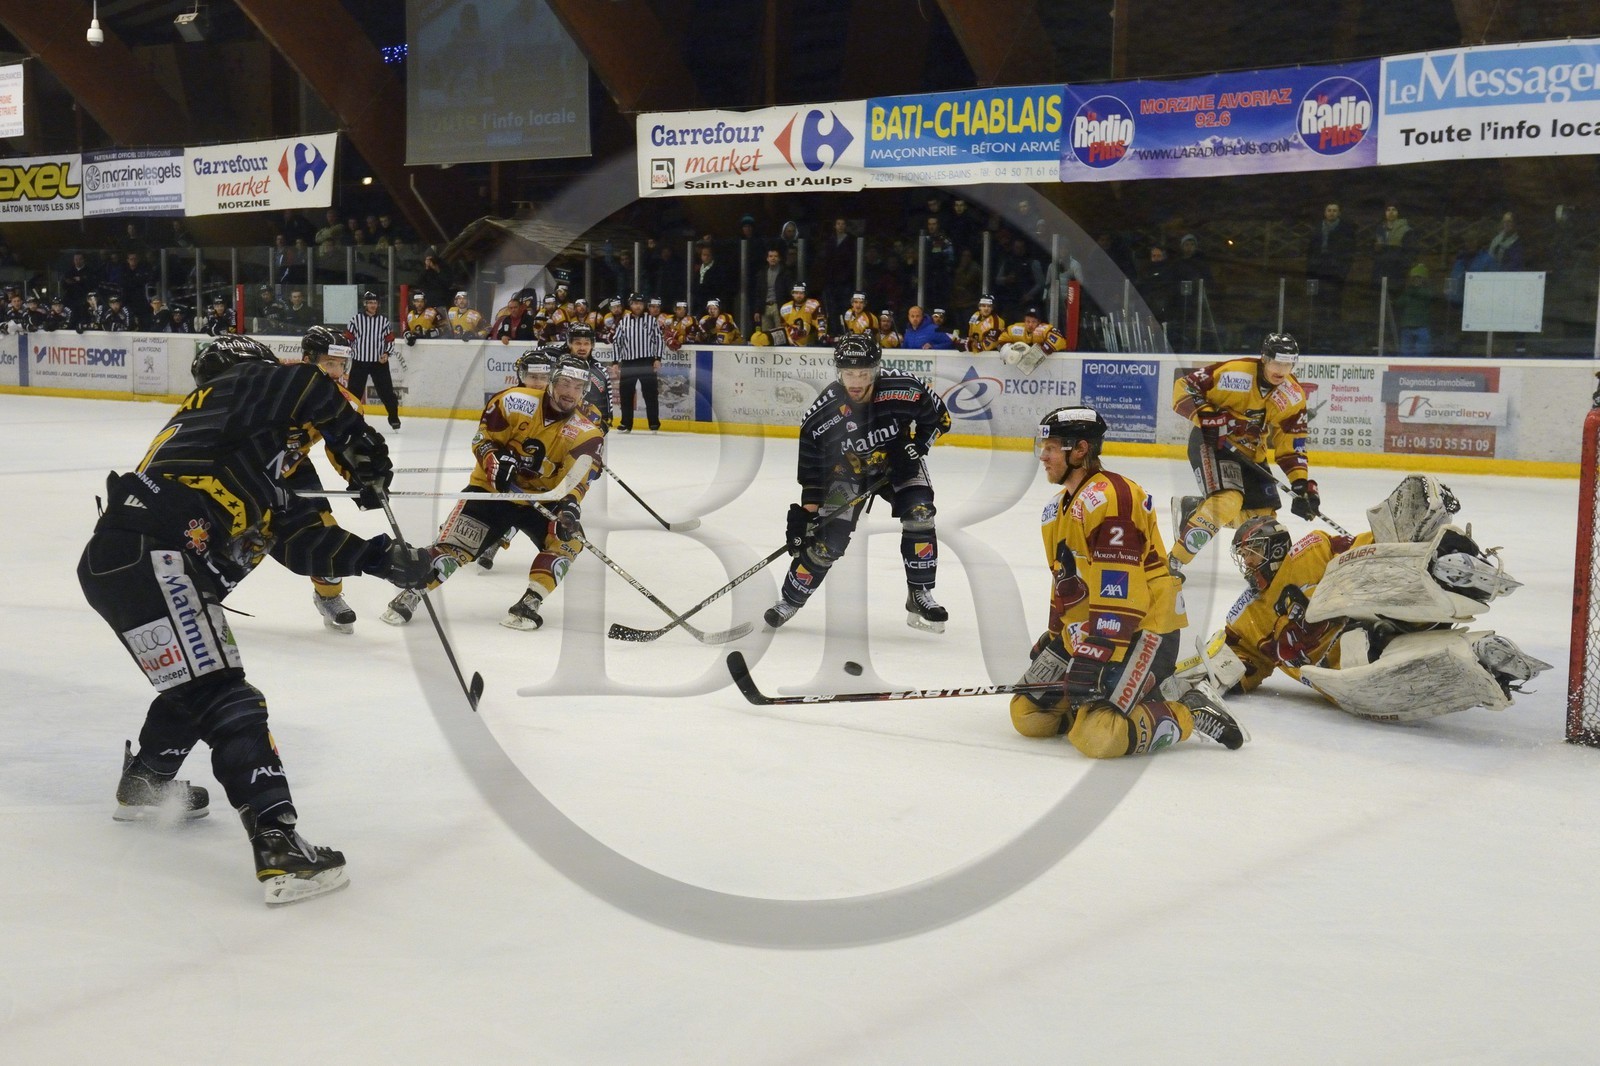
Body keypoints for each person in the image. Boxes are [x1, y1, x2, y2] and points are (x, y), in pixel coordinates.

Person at [76, 334, 433, 904]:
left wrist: (381, 558)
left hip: (129, 562)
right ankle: (278, 842)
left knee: (196, 680)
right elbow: (307, 383)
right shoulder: (236, 388)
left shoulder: (258, 453)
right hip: (159, 555)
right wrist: (360, 445)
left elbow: (303, 544)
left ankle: (147, 782)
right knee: (226, 694)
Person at [1197, 477, 1550, 722]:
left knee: (1377, 590)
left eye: (1252, 554)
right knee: (1365, 645)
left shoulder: (1311, 550)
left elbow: (1366, 553)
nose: (1248, 563)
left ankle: (1445, 565)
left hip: (1393, 610)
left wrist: (1404, 543)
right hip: (1355, 668)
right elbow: (1241, 659)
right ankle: (1478, 663)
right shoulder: (1248, 614)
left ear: (1273, 547)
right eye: (1244, 557)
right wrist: (1211, 677)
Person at [1007, 405, 1244, 754]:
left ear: (1081, 450)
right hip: (1094, 627)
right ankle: (1109, 704)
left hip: (1145, 626)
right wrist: (1056, 635)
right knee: (1027, 713)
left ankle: (1185, 708)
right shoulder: (1054, 510)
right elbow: (1065, 583)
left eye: (1052, 447)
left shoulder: (1113, 497)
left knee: (1100, 736)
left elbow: (1121, 592)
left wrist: (1093, 653)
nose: (1043, 456)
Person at [384, 353, 605, 630]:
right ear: (552, 382)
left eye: (577, 387)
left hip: (541, 500)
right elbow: (483, 439)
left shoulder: (587, 432)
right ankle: (412, 593)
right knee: (455, 547)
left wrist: (570, 506)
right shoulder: (514, 401)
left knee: (569, 541)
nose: (570, 392)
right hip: (491, 492)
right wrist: (493, 462)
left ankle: (530, 602)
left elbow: (576, 480)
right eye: (564, 383)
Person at [766, 334, 952, 632]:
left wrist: (918, 447)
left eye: (863, 373)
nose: (855, 380)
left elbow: (940, 419)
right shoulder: (824, 413)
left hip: (899, 464)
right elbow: (813, 468)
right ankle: (789, 600)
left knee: (920, 514)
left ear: (876, 370)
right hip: (848, 475)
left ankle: (919, 593)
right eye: (848, 373)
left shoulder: (905, 389)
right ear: (838, 373)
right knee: (827, 540)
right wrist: (808, 514)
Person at [1168, 332, 1315, 579]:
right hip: (1213, 444)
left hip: (1251, 454)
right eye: (1277, 362)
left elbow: (1291, 442)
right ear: (1264, 359)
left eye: (1289, 364)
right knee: (1226, 502)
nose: (1282, 369)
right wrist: (1206, 417)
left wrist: (1301, 484)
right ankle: (1173, 561)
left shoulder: (1292, 395)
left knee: (1261, 523)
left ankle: (1193, 512)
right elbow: (1184, 386)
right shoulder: (1235, 374)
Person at [280, 326, 370, 633]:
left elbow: (343, 446)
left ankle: (328, 596)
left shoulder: (344, 403)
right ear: (307, 360)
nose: (336, 372)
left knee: (325, 532)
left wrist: (361, 477)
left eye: (340, 364)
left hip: (294, 471)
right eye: (328, 363)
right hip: (245, 468)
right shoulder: (277, 385)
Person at [1304, 202, 1357, 354]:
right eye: (1329, 210)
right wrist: (1310, 273)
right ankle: (1317, 340)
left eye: (1335, 211)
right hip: (1318, 272)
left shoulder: (1345, 230)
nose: (1332, 213)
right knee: (1317, 308)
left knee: (1334, 308)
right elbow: (1310, 252)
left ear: (1339, 213)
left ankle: (1333, 341)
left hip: (1335, 274)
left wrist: (1342, 272)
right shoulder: (1317, 229)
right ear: (1325, 212)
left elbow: (1349, 253)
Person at [345, 289, 400, 431]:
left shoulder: (383, 322)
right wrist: (347, 352)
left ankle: (393, 417)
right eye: (370, 302)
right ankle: (353, 419)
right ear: (365, 304)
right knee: (354, 393)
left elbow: (390, 340)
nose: (373, 305)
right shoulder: (355, 320)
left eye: (375, 302)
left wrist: (387, 353)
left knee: (386, 392)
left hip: (379, 363)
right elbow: (349, 340)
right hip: (359, 361)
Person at [611, 291, 667, 432]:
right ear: (630, 305)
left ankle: (654, 422)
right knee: (626, 394)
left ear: (644, 305)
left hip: (646, 361)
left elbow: (658, 340)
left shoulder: (651, 320)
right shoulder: (623, 321)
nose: (638, 306)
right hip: (628, 362)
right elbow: (617, 342)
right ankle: (626, 423)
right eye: (635, 303)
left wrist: (657, 359)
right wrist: (615, 362)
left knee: (650, 393)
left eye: (640, 303)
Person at [780, 282, 828, 347]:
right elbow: (783, 327)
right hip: (790, 341)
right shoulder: (785, 307)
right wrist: (788, 339)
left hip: (808, 341)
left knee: (804, 325)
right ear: (792, 294)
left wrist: (821, 334)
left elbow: (820, 321)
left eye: (801, 293)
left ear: (805, 294)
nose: (798, 296)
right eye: (796, 293)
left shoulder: (813, 304)